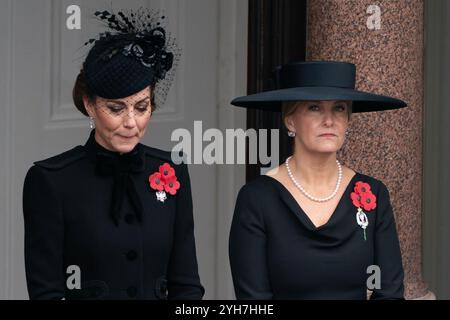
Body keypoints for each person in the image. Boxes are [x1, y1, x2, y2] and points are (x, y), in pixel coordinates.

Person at [22, 9, 204, 300]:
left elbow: (187, 286)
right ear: (90, 105)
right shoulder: (50, 181)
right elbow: (46, 292)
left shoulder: (172, 171)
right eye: (116, 109)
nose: (131, 122)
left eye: (142, 107)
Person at [229, 61, 405, 299]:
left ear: (348, 120)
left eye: (339, 108)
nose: (329, 120)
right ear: (290, 120)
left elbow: (390, 291)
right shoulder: (257, 199)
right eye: (314, 108)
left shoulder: (373, 193)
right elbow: (254, 300)